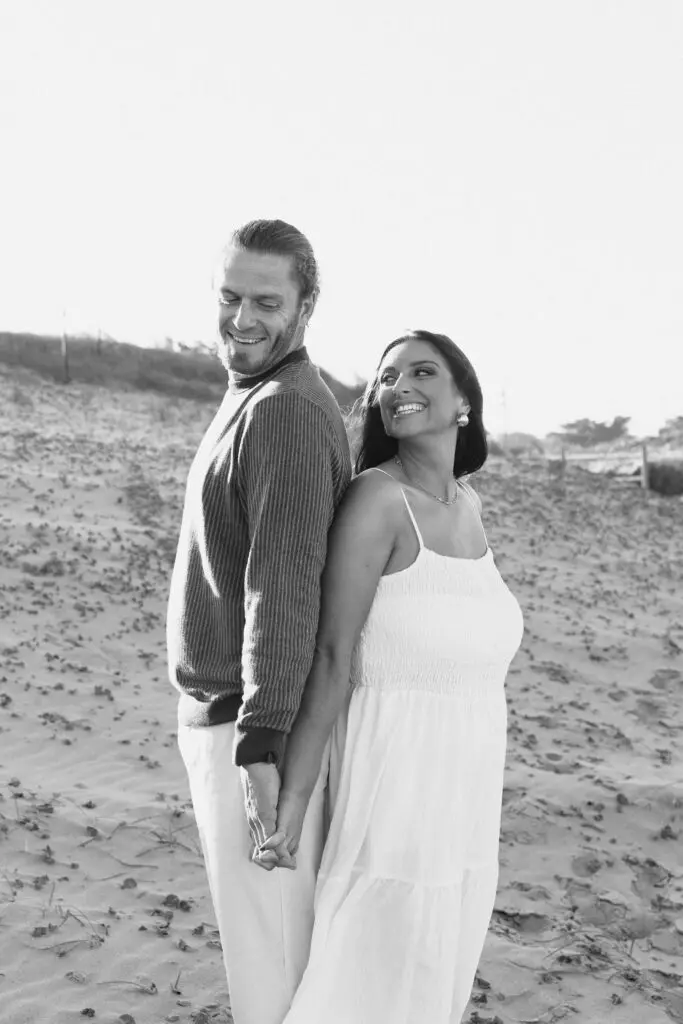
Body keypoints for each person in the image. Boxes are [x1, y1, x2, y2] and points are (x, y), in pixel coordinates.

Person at [259, 330, 524, 1023]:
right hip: (395, 793)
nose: (397, 387)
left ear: (462, 397)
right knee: (368, 975)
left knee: (434, 974)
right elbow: (332, 656)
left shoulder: (469, 504)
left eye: (421, 372)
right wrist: (292, 794)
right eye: (384, 379)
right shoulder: (377, 501)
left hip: (464, 804)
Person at [166, 219, 352, 1024]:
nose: (242, 318)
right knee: (265, 954)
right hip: (229, 718)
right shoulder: (251, 397)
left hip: (250, 727)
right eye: (230, 296)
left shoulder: (283, 411)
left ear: (306, 307)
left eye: (266, 302)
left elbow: (282, 587)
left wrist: (260, 745)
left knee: (272, 965)